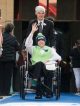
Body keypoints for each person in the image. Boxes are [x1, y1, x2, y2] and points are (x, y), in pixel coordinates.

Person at [25, 23, 61, 99]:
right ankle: (41, 91)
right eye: (39, 40)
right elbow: (27, 44)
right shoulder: (33, 48)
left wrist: (49, 60)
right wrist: (32, 32)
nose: (41, 41)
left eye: (42, 40)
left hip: (46, 68)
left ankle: (41, 91)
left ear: (45, 41)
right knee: (39, 63)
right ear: (37, 42)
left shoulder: (50, 49)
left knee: (49, 71)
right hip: (34, 69)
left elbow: (59, 57)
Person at [0, 23, 20, 96]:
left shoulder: (1, 36)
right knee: (8, 76)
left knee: (1, 76)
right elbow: (18, 48)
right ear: (11, 30)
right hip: (10, 60)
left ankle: (1, 91)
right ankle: (6, 92)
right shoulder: (13, 38)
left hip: (1, 59)